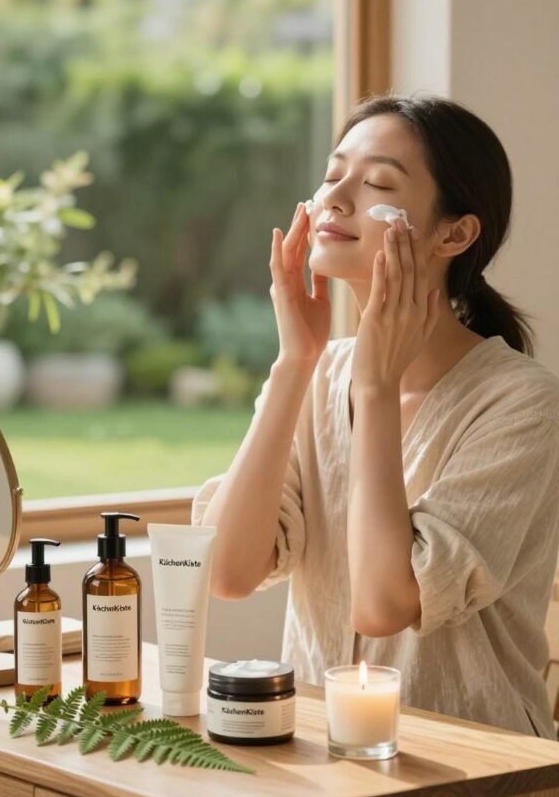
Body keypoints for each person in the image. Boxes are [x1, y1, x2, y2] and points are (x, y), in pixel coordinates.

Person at [192, 93, 559, 738]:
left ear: (454, 233)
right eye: (333, 176)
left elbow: (383, 602)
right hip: (311, 758)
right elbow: (227, 571)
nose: (334, 199)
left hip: (476, 777)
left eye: (377, 183)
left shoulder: (522, 404)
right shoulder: (318, 377)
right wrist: (292, 367)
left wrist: (378, 387)